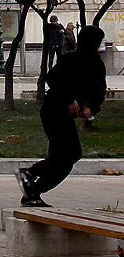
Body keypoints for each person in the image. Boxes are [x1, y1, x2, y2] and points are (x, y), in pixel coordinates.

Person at [16, 25, 106, 207]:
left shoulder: (97, 64)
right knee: (70, 153)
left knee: (65, 160)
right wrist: (70, 99)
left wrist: (91, 109)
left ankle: (33, 192)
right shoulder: (70, 59)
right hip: (54, 111)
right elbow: (53, 78)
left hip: (66, 116)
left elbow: (100, 91)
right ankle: (30, 174)